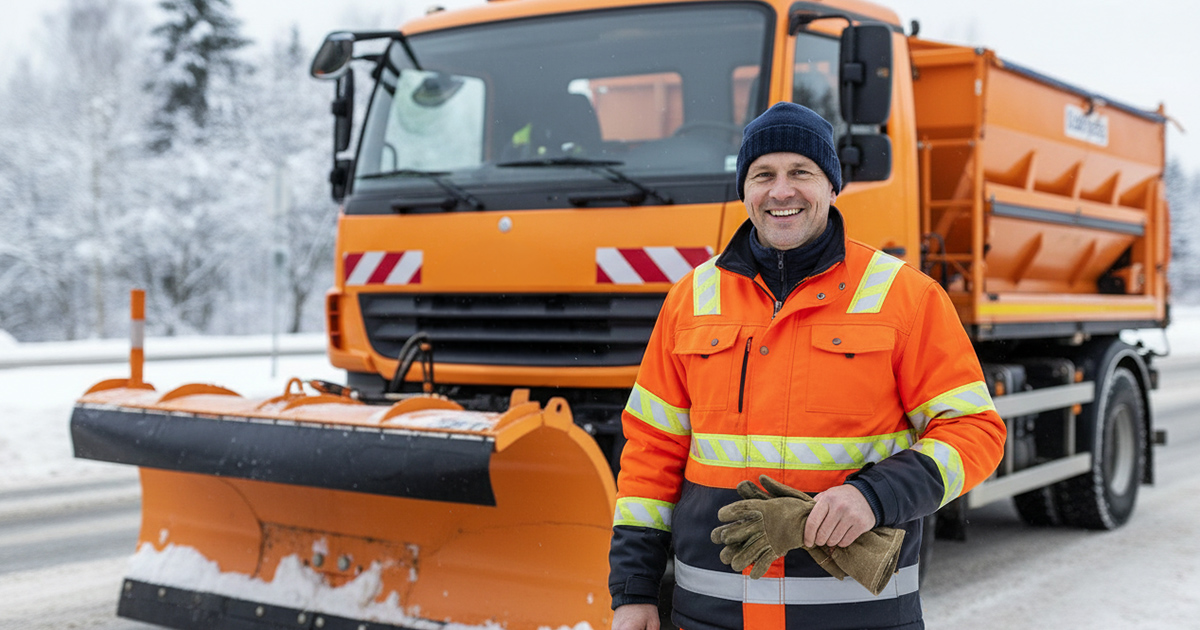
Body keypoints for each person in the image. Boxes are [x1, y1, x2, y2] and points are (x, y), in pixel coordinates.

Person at [607, 102, 1006, 630]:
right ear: (744, 189)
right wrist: (633, 592)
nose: (781, 191)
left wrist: (874, 495)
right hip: (711, 614)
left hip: (857, 616)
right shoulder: (690, 299)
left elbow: (975, 431)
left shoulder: (904, 296)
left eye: (801, 172)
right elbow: (651, 454)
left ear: (832, 186)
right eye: (763, 175)